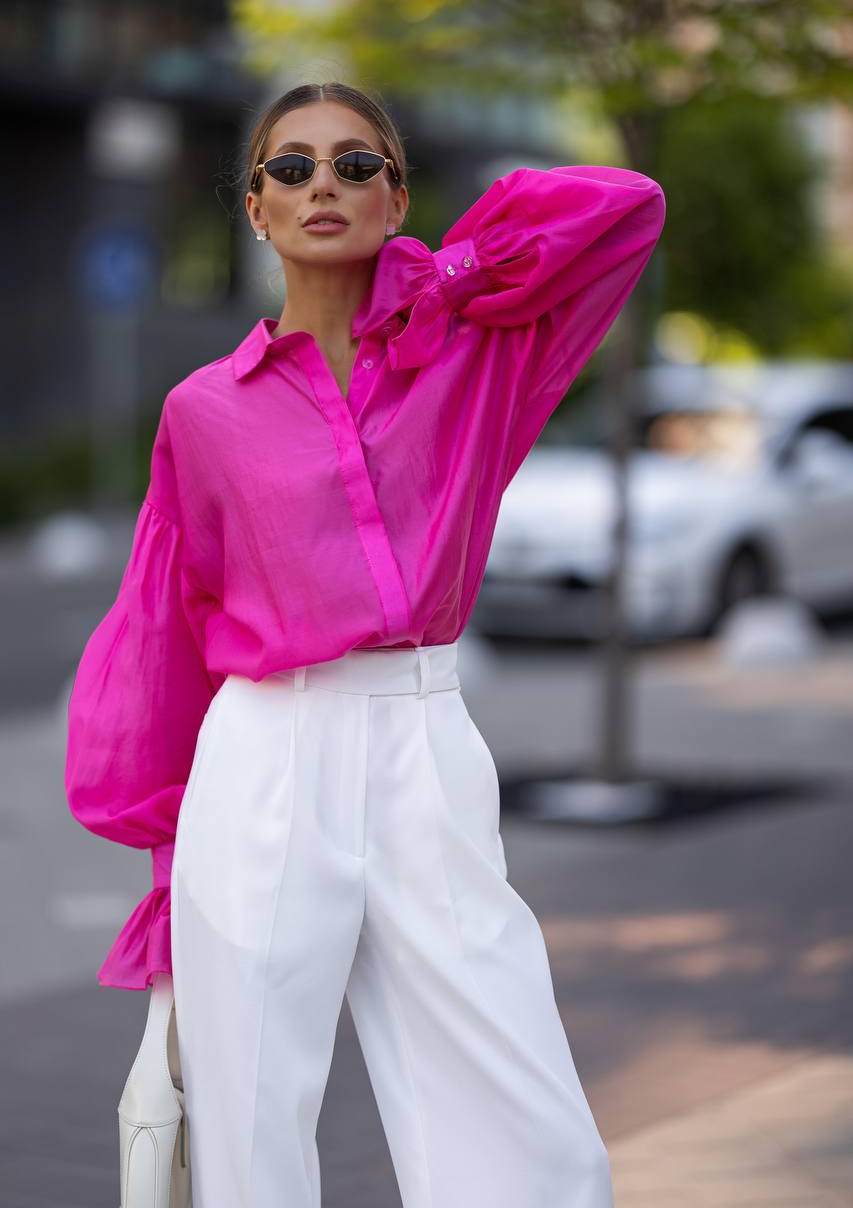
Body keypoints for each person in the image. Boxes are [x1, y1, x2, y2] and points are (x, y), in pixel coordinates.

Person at [64, 80, 666, 1208]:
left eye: (355, 164)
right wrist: (164, 875)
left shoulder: (479, 351)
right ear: (255, 210)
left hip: (421, 737)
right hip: (261, 755)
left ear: (397, 197)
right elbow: (167, 635)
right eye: (290, 168)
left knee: (521, 1113)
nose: (322, 186)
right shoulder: (204, 410)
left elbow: (625, 206)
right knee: (249, 1123)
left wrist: (448, 273)